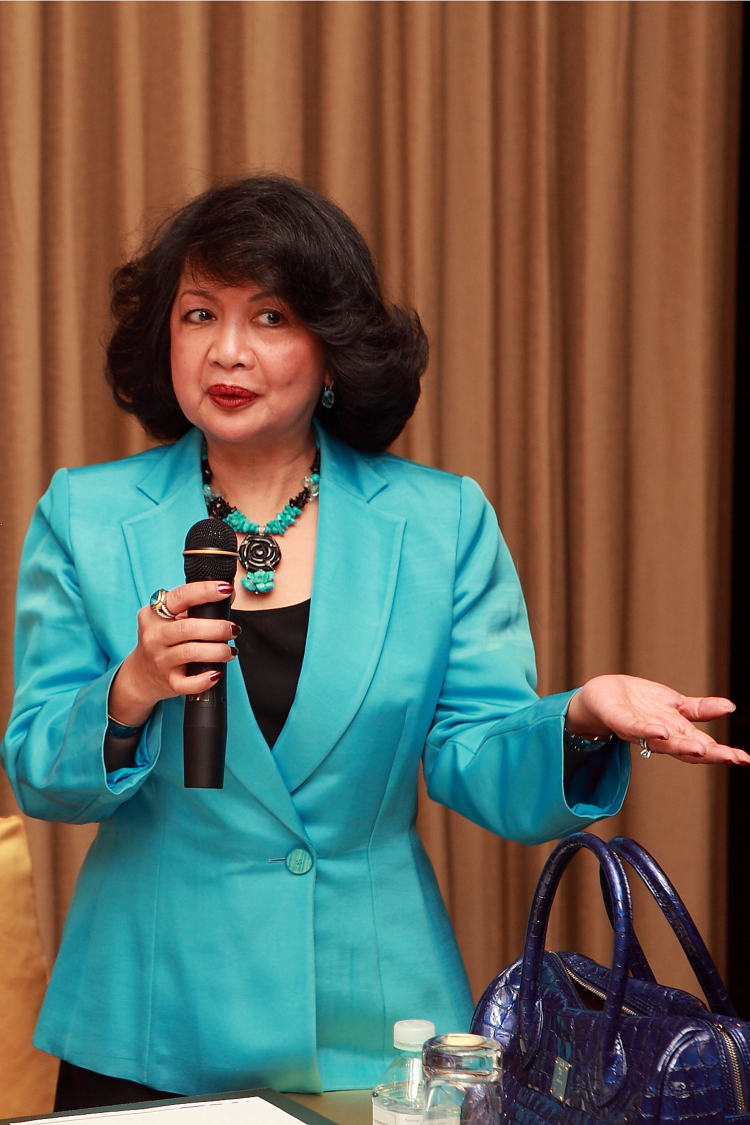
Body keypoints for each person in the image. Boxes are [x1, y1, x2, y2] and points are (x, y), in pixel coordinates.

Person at [2, 176, 746, 1111]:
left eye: (271, 316)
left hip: (373, 1026)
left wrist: (580, 717)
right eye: (199, 314)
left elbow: (475, 754)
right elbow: (39, 771)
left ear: (332, 346)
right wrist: (131, 688)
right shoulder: (86, 513)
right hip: (148, 1017)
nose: (228, 349)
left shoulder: (440, 521)